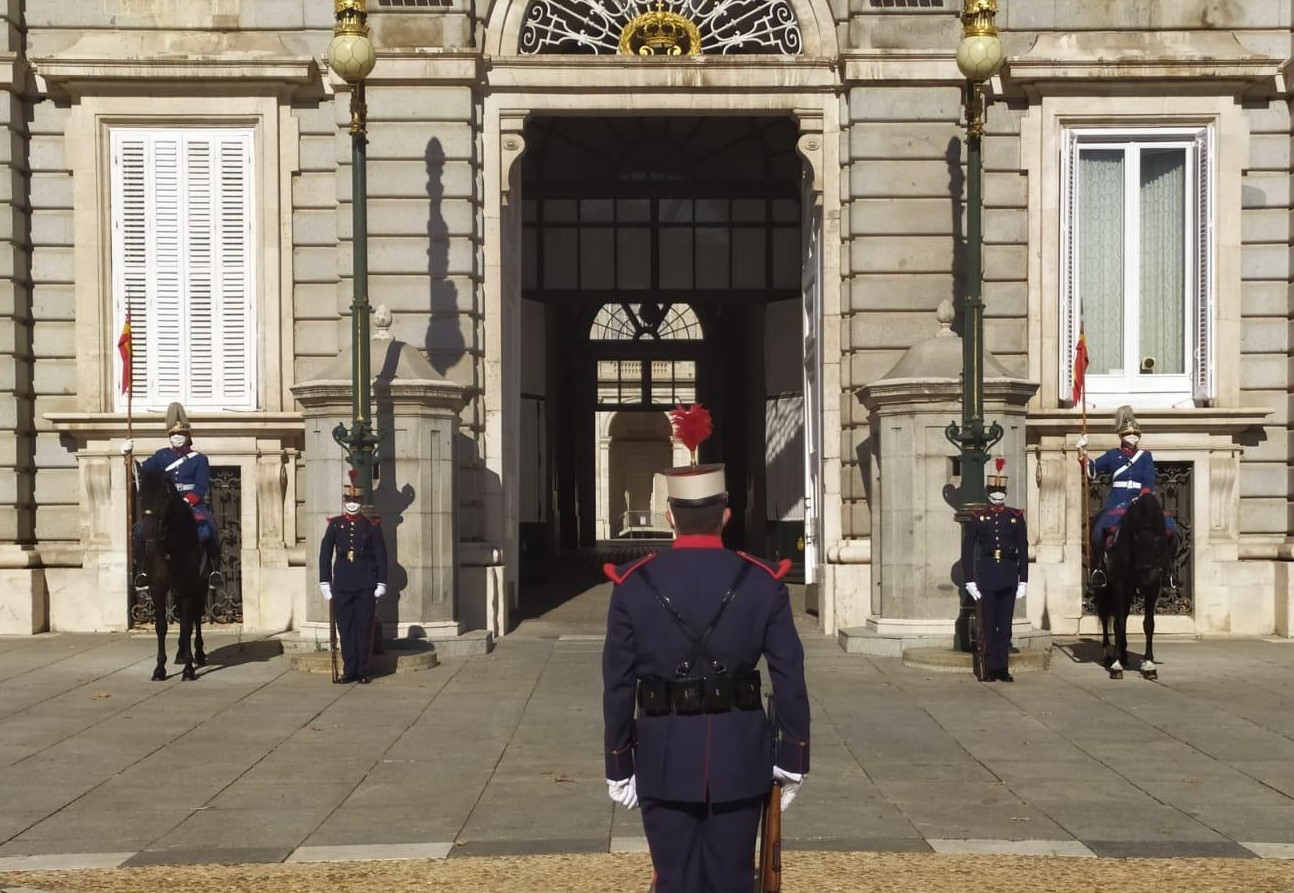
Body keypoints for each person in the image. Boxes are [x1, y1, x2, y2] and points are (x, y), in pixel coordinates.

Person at [601, 405, 810, 893]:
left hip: (662, 756)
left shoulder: (632, 585)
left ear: (669, 515)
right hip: (740, 755)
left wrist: (618, 760)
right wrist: (793, 756)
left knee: (671, 880)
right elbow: (789, 674)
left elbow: (616, 684)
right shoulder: (764, 583)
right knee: (734, 880)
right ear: (727, 515)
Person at [1076, 405, 1177, 585]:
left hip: (1140, 500)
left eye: (1136, 434)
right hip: (1118, 502)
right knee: (1098, 530)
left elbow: (1148, 479)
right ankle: (1098, 568)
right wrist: (1082, 451)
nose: (1133, 437)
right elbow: (1092, 469)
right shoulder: (1112, 455)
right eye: (1129, 434)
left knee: (1169, 527)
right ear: (1121, 436)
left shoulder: (1145, 456)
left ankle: (1168, 570)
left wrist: (1144, 496)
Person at [122, 402, 220, 579]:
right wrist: (128, 455)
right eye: (174, 433)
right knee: (140, 531)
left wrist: (187, 500)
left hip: (192, 503)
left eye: (181, 433)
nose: (177, 436)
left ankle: (214, 570)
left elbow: (200, 486)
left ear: (188, 435)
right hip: (165, 504)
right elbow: (142, 472)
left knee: (209, 527)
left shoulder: (199, 459)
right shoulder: (162, 456)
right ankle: (143, 571)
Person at [960, 459, 1027, 683]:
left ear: (1006, 493)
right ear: (989, 493)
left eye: (1001, 492)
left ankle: (1002, 667)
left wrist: (1023, 580)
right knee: (988, 625)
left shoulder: (1015, 517)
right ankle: (988, 667)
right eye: (994, 492)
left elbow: (1023, 548)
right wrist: (970, 580)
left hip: (1008, 574)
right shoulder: (979, 518)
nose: (998, 496)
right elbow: (968, 550)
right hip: (988, 575)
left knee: (1005, 626)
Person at [318, 483, 388, 684]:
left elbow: (381, 556)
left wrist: (381, 582)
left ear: (362, 503)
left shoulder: (371, 526)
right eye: (349, 501)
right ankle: (349, 669)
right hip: (342, 584)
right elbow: (325, 554)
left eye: (356, 501)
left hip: (365, 583)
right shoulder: (334, 524)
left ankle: (362, 670)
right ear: (344, 502)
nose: (352, 504)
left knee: (364, 628)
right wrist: (325, 581)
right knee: (345, 628)